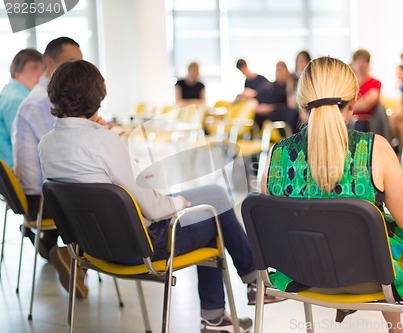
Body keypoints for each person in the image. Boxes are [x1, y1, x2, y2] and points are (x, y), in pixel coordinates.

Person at [39, 60, 282, 332]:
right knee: (214, 212)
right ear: (97, 96)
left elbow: (105, 187)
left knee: (214, 194)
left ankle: (233, 298)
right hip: (139, 246)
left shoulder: (47, 144)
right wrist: (178, 203)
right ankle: (250, 285)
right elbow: (153, 209)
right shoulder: (103, 142)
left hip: (92, 247)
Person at [261, 56, 403, 333]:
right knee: (388, 236)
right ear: (354, 101)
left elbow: (274, 218)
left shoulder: (276, 156)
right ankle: (396, 327)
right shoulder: (374, 150)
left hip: (298, 275)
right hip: (371, 278)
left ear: (302, 104)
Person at [10, 37, 87, 298]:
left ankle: (72, 255)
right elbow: (64, 155)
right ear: (50, 63)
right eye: (71, 64)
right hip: (43, 200)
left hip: (39, 195)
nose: (78, 71)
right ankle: (80, 257)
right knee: (110, 197)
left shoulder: (43, 98)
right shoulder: (44, 101)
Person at [0, 49, 43, 168]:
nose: (40, 73)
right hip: (14, 174)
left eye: (42, 68)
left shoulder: (8, 93)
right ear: (16, 72)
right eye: (34, 67)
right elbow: (22, 145)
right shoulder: (16, 100)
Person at [254, 61, 299, 133]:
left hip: (281, 113)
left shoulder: (289, 86)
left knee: (292, 112)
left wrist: (269, 108)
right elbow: (259, 96)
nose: (279, 73)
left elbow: (289, 105)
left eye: (281, 70)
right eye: (277, 70)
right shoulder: (270, 86)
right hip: (264, 113)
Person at [350, 49, 382, 132]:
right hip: (347, 119)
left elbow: (367, 105)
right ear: (353, 63)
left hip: (364, 122)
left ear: (368, 64)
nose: (360, 65)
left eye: (363, 61)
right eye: (358, 61)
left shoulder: (375, 83)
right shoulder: (348, 83)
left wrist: (348, 105)